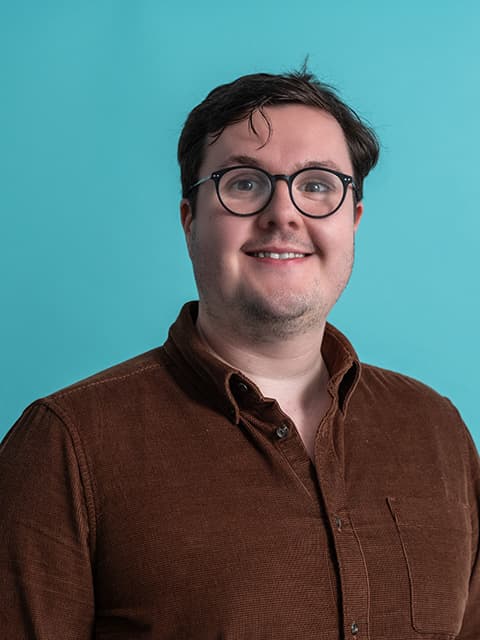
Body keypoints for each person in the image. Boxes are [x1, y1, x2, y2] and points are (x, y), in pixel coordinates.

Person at [1, 67, 479, 639]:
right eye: (245, 183)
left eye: (318, 185)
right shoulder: (65, 445)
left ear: (353, 220)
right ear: (190, 221)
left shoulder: (437, 430)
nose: (284, 214)